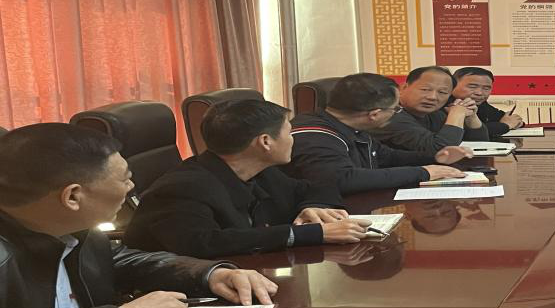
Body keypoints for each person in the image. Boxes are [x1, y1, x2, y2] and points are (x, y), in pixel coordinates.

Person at [0, 124, 278, 308]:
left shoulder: (75, 228)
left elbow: (119, 260)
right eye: (124, 179)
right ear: (73, 196)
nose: (131, 187)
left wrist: (210, 273)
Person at [124, 100, 375, 258]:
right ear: (265, 142)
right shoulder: (182, 189)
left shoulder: (260, 170)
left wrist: (314, 206)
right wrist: (311, 233)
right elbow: (205, 244)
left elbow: (316, 186)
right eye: (289, 133)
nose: (293, 140)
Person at [285, 72, 472, 195]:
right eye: (395, 109)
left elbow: (386, 156)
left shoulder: (350, 126)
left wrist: (435, 157)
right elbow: (342, 179)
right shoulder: (314, 135)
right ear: (374, 114)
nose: (397, 113)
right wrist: (423, 172)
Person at [371, 65, 488, 152]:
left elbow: (479, 145)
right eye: (425, 90)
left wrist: (471, 118)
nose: (432, 97)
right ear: (403, 88)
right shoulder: (390, 116)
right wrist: (456, 114)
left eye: (442, 92)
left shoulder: (434, 114)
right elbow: (441, 149)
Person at [452, 67, 525, 140]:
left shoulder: (481, 104)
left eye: (486, 88)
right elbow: (466, 132)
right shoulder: (448, 104)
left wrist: (517, 122)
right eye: (472, 87)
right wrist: (505, 125)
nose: (479, 93)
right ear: (452, 85)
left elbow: (503, 118)